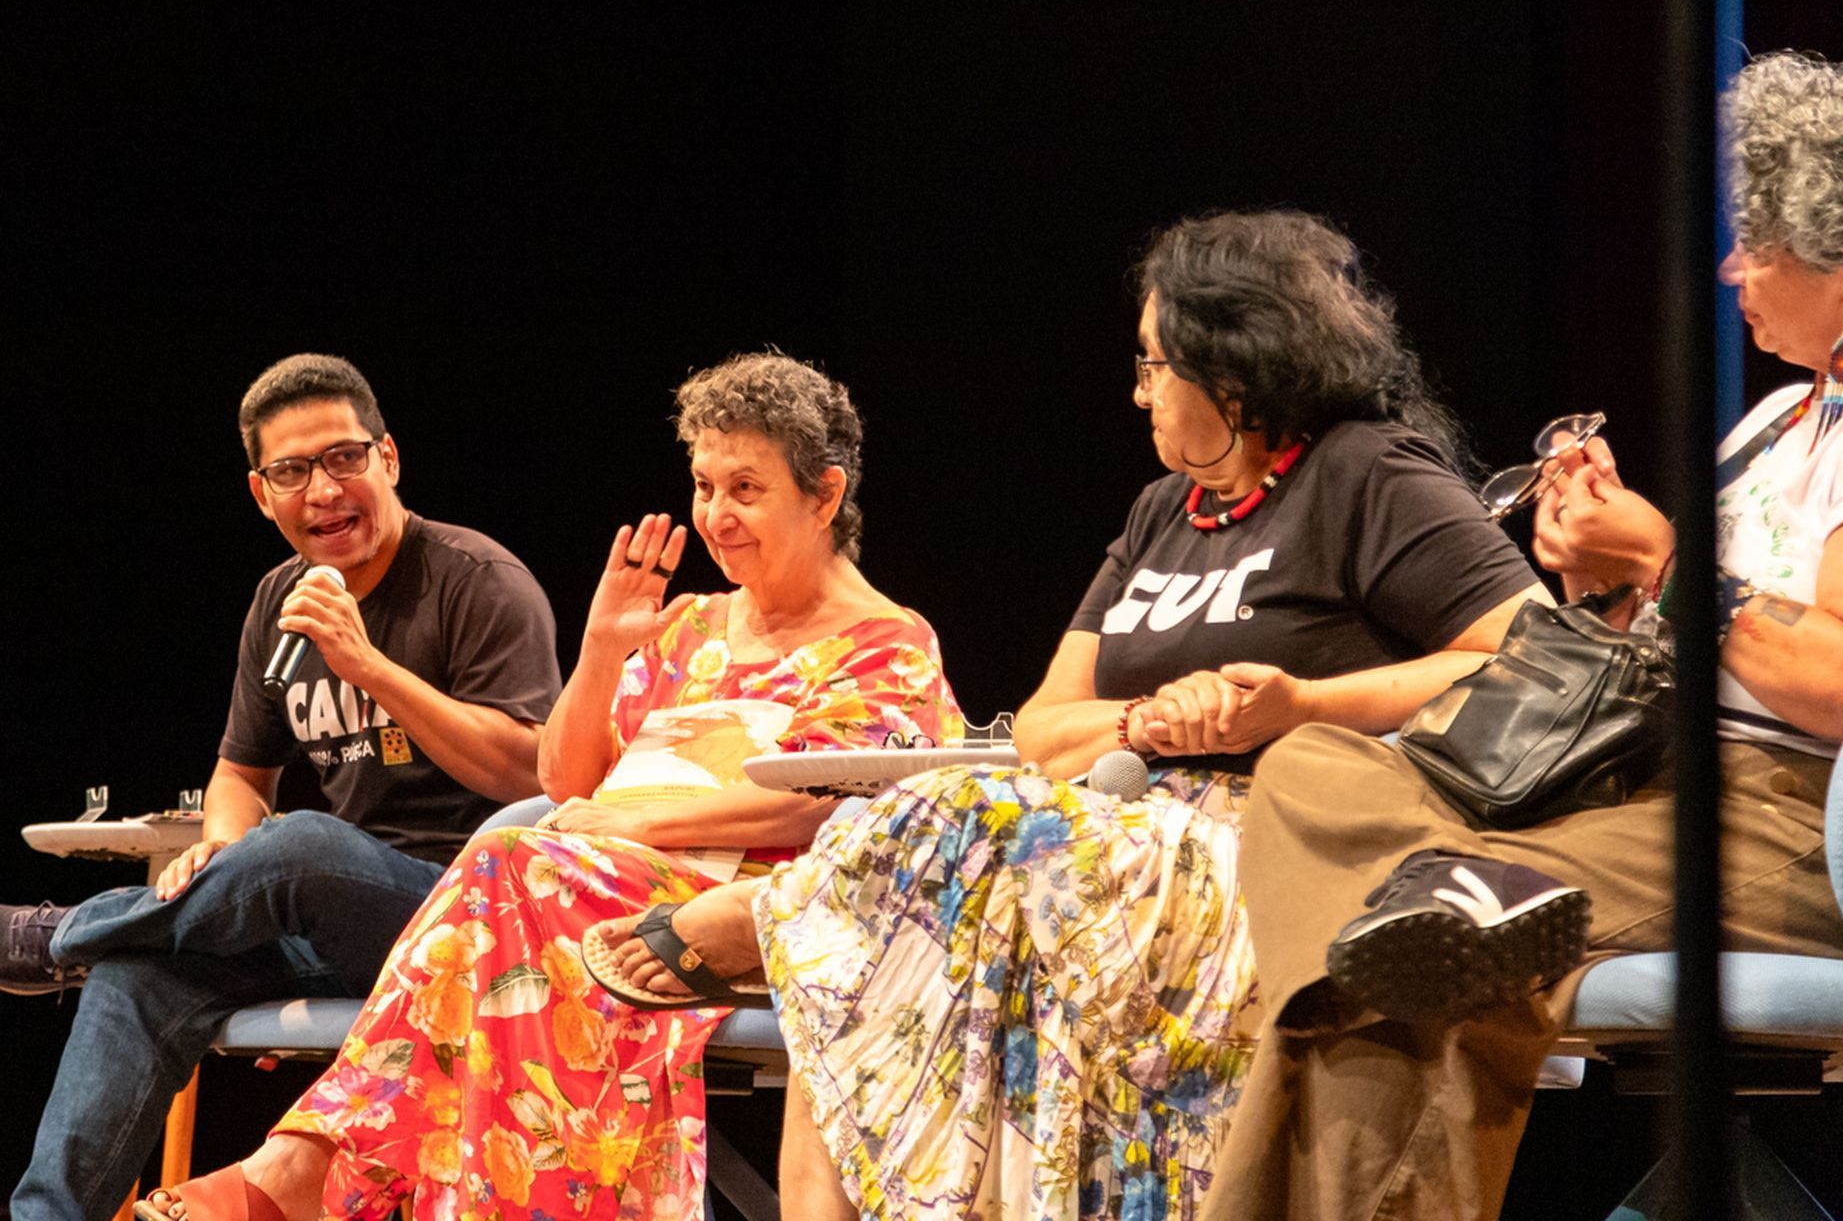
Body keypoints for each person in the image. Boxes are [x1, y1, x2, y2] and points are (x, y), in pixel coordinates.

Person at [618, 211, 1557, 1219]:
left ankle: (767, 917)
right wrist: (1142, 721)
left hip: (1269, 842)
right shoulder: (1163, 511)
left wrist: (1300, 705)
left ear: (1232, 369)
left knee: (958, 833)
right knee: (883, 931)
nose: (1140, 390)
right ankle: (793, 935)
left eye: (1156, 364)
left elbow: (1530, 654)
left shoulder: (1366, 473)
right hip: (1108, 837)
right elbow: (1042, 727)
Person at [1203, 52, 1843, 1220]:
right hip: (1650, 785)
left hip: (1795, 820)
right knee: (1312, 771)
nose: (1731, 266)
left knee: (1389, 976)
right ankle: (1453, 903)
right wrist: (1603, 575)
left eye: (1759, 244)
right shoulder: (1780, 420)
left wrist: (1660, 559)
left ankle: (1454, 909)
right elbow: (1697, 634)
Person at [139, 352, 965, 1221]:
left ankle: (300, 1173)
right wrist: (603, 649)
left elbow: (823, 804)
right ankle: (308, 1173)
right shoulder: (690, 625)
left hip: (738, 918)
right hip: (600, 884)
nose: (716, 516)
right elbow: (564, 779)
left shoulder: (886, 642)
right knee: (510, 895)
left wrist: (632, 828)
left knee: (508, 865)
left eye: (746, 490)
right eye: (704, 486)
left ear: (825, 495)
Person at [4, 354, 564, 1221]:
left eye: (344, 458)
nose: (324, 490)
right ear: (261, 494)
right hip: (333, 924)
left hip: (475, 919)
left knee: (301, 845)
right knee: (136, 972)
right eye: (292, 471)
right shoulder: (278, 600)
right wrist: (222, 856)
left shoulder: (476, 580)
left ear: (389, 458)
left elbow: (533, 771)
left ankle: (61, 934)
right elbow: (240, 772)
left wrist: (367, 666)